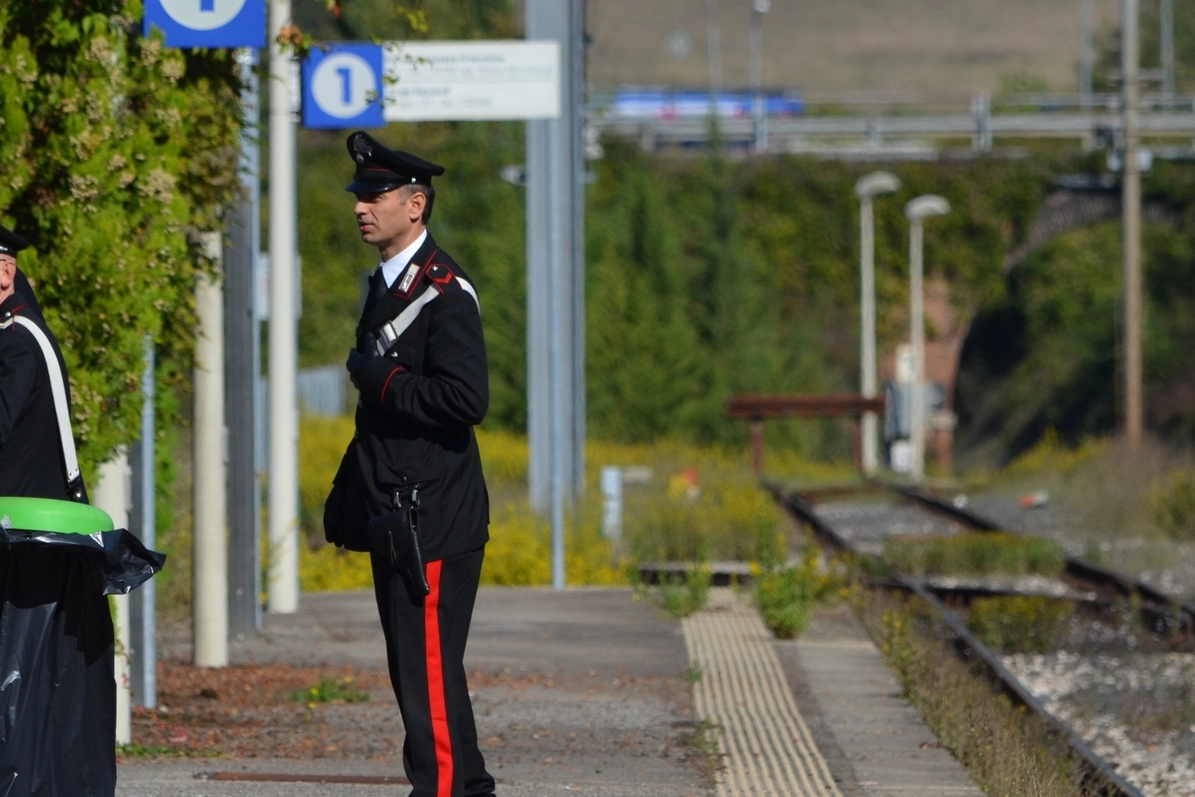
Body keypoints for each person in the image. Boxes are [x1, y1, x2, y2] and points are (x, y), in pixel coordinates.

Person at [324, 131, 494, 797]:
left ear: (415, 205)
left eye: (375, 195)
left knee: (426, 669)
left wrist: (383, 379)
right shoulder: (387, 282)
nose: (361, 207)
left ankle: (448, 788)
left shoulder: (445, 292)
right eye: (359, 196)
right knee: (416, 671)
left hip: (433, 516)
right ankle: (462, 784)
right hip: (399, 510)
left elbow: (465, 398)